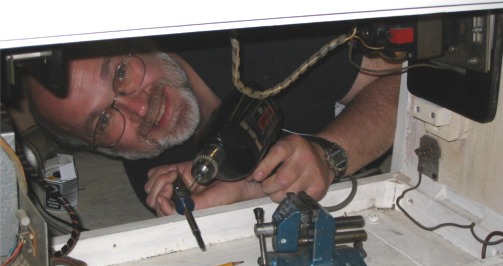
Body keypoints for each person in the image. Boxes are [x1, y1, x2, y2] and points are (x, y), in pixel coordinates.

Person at [25, 22, 400, 217]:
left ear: (138, 39)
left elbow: (403, 82)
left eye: (122, 74)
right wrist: (242, 190)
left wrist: (330, 154)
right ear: (99, 149)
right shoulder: (156, 170)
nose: (139, 110)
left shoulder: (262, 36)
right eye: (104, 121)